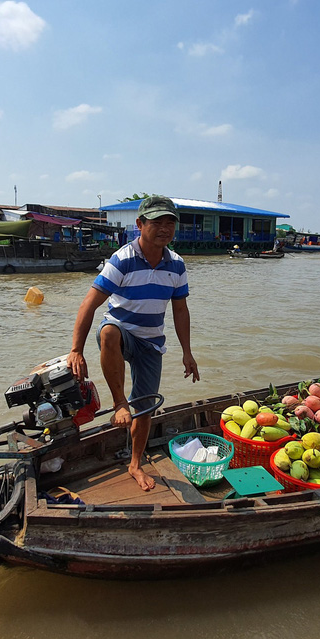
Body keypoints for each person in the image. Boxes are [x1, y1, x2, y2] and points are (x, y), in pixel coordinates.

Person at [68, 195, 199, 491]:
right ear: (140, 224)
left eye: (170, 223)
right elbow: (89, 303)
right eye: (157, 222)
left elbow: (180, 309)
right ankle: (118, 403)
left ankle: (135, 465)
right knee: (108, 332)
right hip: (122, 334)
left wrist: (187, 353)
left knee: (146, 407)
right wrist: (75, 350)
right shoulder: (122, 260)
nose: (165, 229)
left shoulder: (176, 265)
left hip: (151, 343)